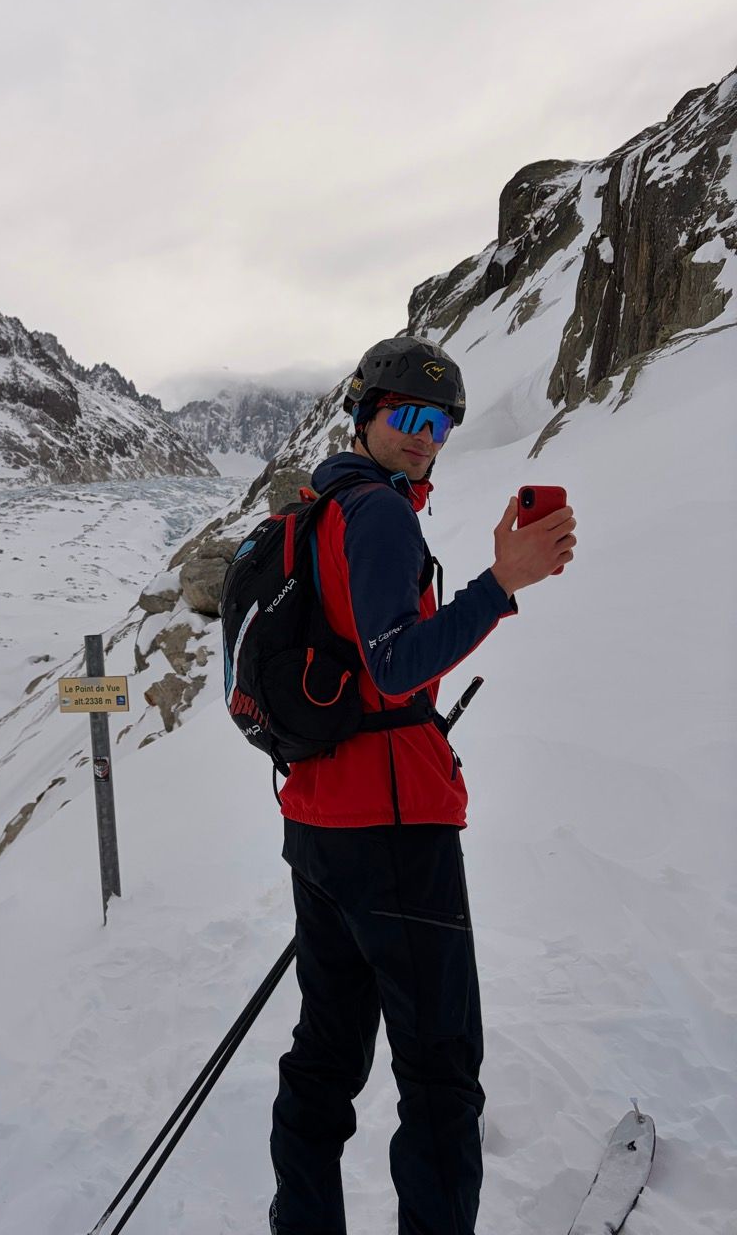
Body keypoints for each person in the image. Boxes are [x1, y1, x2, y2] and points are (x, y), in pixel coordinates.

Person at [268, 335, 576, 1235]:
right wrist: (501, 583)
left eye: (439, 424)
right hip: (394, 832)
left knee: (325, 1056)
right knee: (440, 1074)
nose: (422, 435)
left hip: (319, 822)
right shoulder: (379, 515)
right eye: (405, 414)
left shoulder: (322, 507)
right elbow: (396, 664)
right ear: (365, 414)